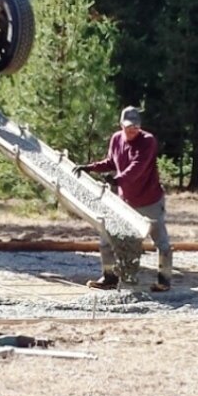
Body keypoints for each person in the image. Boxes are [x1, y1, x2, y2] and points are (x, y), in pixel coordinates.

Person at [74, 106, 172, 292]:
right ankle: (109, 277)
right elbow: (112, 161)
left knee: (161, 242)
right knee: (106, 239)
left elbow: (137, 167)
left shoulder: (148, 141)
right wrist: (90, 167)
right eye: (128, 127)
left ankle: (164, 280)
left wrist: (117, 179)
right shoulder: (116, 139)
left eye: (135, 127)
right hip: (125, 201)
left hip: (149, 200)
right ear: (121, 125)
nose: (132, 130)